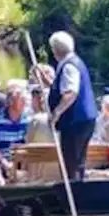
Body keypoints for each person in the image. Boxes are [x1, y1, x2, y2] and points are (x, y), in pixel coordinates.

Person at [46, 31, 98, 180]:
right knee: (76, 162)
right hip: (85, 120)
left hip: (76, 122)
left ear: (55, 50)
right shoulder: (76, 62)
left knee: (71, 164)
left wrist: (56, 113)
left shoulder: (68, 66)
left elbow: (70, 93)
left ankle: (72, 195)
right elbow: (64, 89)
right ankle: (76, 190)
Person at [0, 86, 31, 185]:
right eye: (21, 99)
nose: (25, 102)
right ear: (11, 102)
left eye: (25, 99)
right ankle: (2, 190)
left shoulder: (28, 120)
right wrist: (5, 163)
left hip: (20, 160)